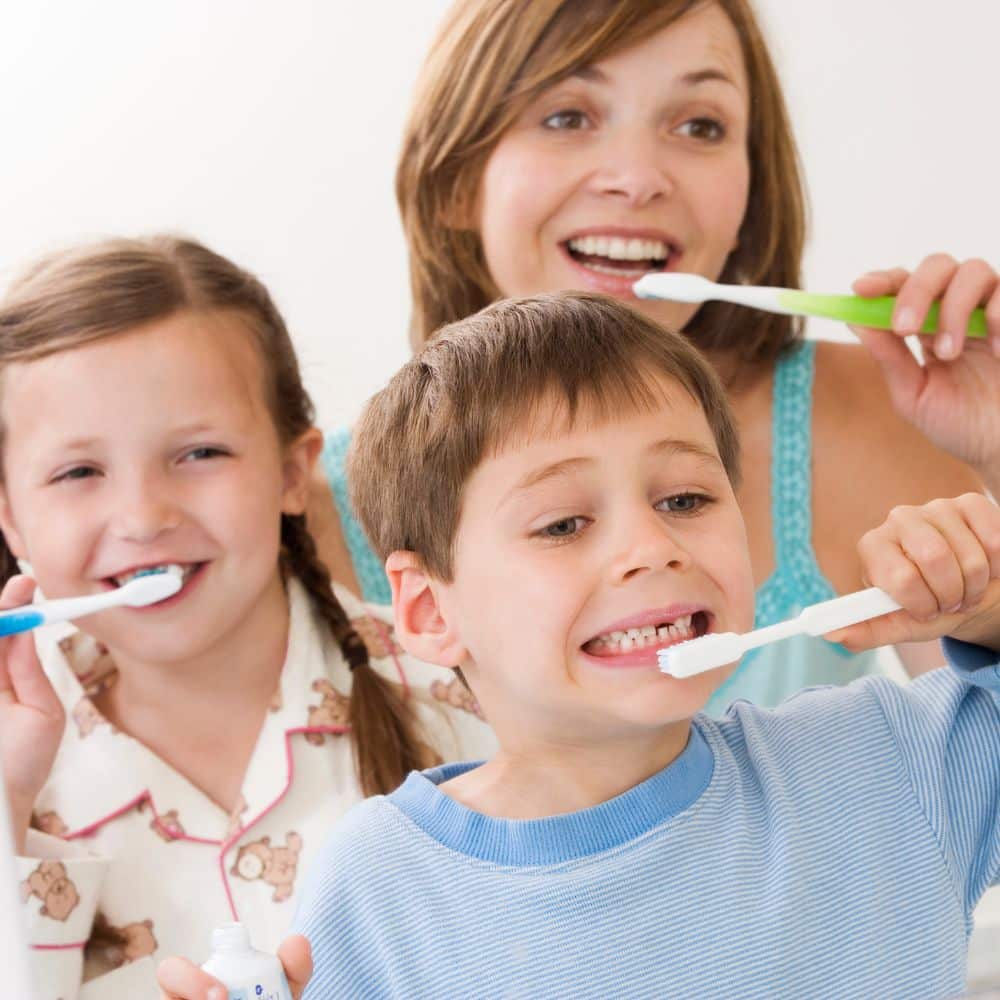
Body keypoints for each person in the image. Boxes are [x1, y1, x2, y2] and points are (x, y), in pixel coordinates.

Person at [282, 292, 997, 998]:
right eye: (563, 524)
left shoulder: (886, 766)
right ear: (431, 609)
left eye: (684, 500)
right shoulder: (379, 892)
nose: (653, 548)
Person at [310, 0, 1000, 713]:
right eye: (567, 116)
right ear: (458, 179)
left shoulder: (868, 413)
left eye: (699, 125)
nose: (638, 177)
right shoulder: (300, 515)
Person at [0, 236, 496, 999]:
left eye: (199, 453)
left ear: (294, 472)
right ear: (11, 522)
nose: (142, 515)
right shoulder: (16, 763)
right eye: (78, 472)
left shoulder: (472, 696)